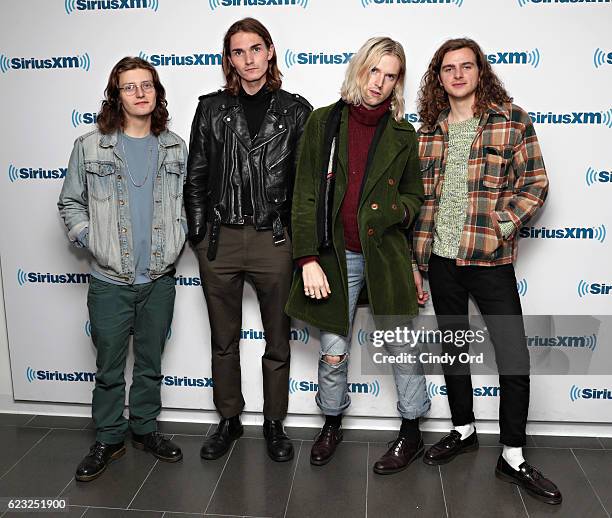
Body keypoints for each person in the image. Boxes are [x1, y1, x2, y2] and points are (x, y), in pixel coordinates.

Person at [414, 38, 561, 504]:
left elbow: (536, 184)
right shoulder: (428, 131)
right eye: (448, 68)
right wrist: (419, 263)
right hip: (440, 260)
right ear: (438, 77)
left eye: (466, 66)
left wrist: (500, 225)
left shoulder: (510, 119)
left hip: (490, 260)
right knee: (454, 350)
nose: (457, 74)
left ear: (481, 71)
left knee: (512, 356)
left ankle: (513, 455)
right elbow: (422, 204)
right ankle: (463, 429)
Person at [285, 37, 430, 474]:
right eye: (374, 71)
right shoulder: (323, 122)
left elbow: (414, 197)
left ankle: (412, 430)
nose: (380, 83)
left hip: (386, 252)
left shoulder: (404, 134)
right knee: (333, 349)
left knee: (402, 347)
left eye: (391, 76)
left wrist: (397, 212)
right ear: (360, 69)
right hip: (335, 255)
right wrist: (307, 258)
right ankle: (332, 419)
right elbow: (306, 193)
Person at [185, 18, 312, 462]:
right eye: (238, 52)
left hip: (273, 240)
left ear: (271, 51)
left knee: (277, 340)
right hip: (219, 240)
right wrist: (199, 236)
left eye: (255, 49)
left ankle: (274, 424)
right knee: (224, 338)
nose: (249, 59)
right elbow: (196, 175)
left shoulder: (297, 112)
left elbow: (305, 186)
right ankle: (229, 419)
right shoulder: (211, 109)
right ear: (230, 59)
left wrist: (302, 244)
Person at [58, 56, 187, 481]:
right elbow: (70, 202)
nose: (140, 92)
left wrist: (178, 238)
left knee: (150, 362)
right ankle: (109, 438)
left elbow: (188, 203)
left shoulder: (174, 146)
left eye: (147, 84)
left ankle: (145, 429)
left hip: (159, 279)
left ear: (157, 91)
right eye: (129, 86)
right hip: (109, 281)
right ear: (116, 95)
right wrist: (91, 238)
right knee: (110, 367)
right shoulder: (90, 145)